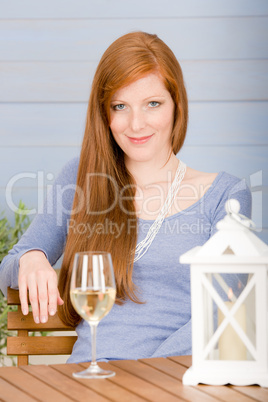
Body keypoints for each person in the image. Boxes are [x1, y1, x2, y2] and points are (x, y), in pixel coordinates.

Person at [0, 31, 251, 362]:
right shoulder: (81, 178)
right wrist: (30, 257)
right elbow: (9, 270)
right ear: (104, 114)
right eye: (120, 106)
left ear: (177, 105)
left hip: (174, 384)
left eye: (153, 104)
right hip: (87, 383)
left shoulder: (227, 197)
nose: (136, 124)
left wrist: (143, 381)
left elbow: (220, 313)